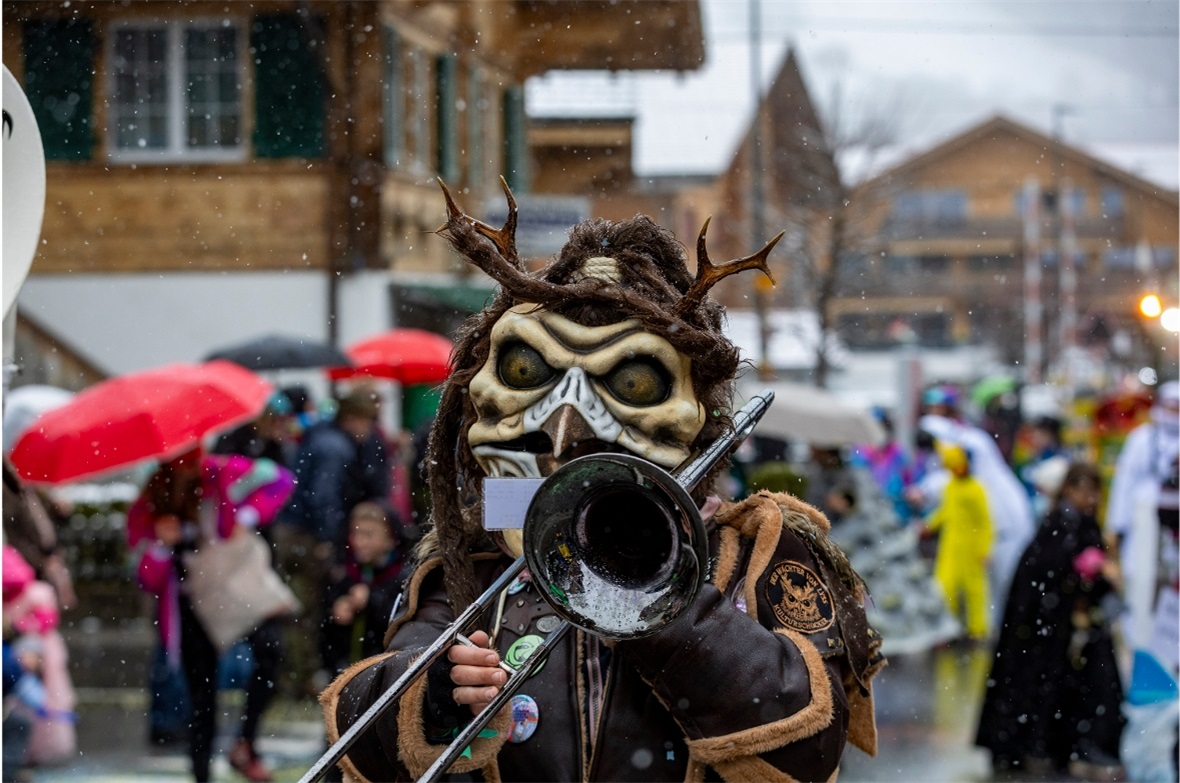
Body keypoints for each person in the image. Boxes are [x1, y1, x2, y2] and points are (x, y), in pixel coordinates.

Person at [318, 191, 884, 781]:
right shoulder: (473, 564)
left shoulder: (759, 554)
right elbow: (365, 745)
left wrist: (663, 598)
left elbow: (810, 751)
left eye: (633, 380)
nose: (564, 432)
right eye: (527, 371)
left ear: (700, 416)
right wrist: (435, 694)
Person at [130, 449, 294, 783]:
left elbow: (280, 480)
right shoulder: (149, 504)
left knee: (269, 651)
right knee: (201, 697)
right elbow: (145, 576)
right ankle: (201, 771)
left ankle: (246, 742)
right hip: (190, 609)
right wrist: (162, 545)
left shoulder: (220, 473)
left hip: (237, 594)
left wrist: (246, 516)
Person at [975, 462, 1125, 780]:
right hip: (1044, 623)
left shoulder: (1080, 524)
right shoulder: (1058, 525)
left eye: (1095, 491)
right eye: (1085, 490)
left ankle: (1059, 745)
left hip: (1063, 623)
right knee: (1034, 681)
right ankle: (1028, 745)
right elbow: (1046, 571)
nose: (1091, 498)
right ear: (1070, 489)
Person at [319, 500, 406, 675]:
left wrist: (371, 602)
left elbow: (399, 622)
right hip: (344, 671)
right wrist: (335, 612)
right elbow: (322, 631)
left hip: (382, 671)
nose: (360, 542)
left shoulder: (402, 576)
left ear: (390, 539)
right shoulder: (343, 572)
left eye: (369, 535)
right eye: (356, 534)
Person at [921, 442, 994, 642]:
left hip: (971, 549)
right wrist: (930, 525)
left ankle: (977, 631)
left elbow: (985, 522)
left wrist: (984, 549)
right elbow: (946, 511)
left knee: (975, 591)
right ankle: (947, 630)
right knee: (945, 588)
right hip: (951, 546)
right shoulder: (952, 486)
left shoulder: (976, 489)